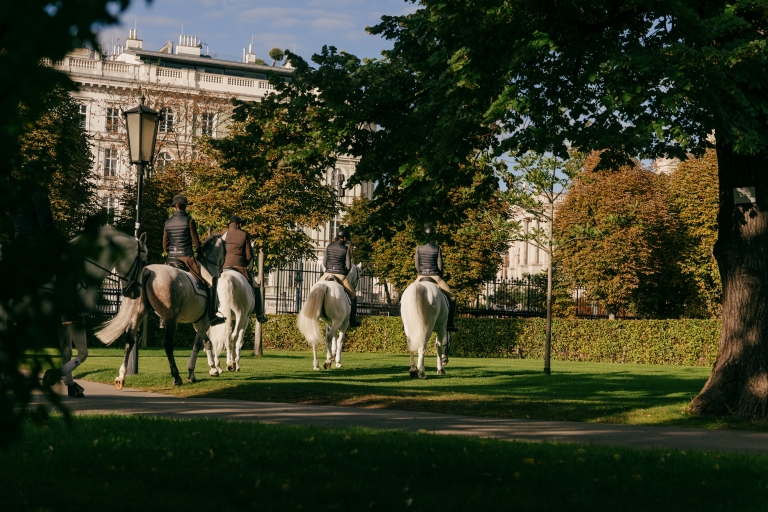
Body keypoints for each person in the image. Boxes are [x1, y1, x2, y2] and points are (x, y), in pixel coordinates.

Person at [162, 195, 226, 326]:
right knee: (211, 281)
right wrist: (200, 253)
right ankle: (212, 315)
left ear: (174, 207)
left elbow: (165, 246)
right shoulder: (189, 220)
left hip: (171, 259)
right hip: (187, 259)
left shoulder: (167, 222)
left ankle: (162, 318)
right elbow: (196, 243)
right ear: (185, 206)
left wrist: (173, 251)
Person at [222, 215, 268, 323]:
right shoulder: (244, 235)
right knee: (256, 287)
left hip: (223, 267)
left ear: (229, 225)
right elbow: (248, 256)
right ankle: (260, 314)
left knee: (211, 286)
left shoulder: (222, 234)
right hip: (239, 267)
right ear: (239, 224)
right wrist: (244, 263)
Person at [415, 225, 458, 332]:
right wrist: (439, 276)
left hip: (421, 276)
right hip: (435, 276)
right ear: (434, 235)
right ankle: (450, 323)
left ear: (424, 234)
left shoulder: (418, 248)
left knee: (404, 298)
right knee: (452, 298)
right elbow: (440, 267)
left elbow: (417, 265)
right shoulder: (437, 248)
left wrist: (421, 273)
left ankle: (404, 323)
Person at [319, 229, 361, 327]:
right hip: (340, 275)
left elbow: (324, 263)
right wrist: (343, 273)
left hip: (326, 274)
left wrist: (329, 270)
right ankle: (352, 320)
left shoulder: (329, 246)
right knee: (353, 296)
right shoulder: (345, 249)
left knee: (314, 290)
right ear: (345, 238)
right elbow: (348, 266)